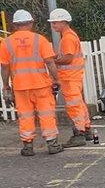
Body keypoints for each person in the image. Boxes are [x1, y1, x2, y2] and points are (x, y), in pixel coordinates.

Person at [0, 10, 62, 156]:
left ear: (14, 25)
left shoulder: (6, 43)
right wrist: (57, 79)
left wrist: (6, 85)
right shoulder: (40, 39)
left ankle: (28, 146)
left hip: (21, 86)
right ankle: (52, 144)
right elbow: (49, 62)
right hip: (41, 84)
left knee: (25, 115)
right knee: (46, 114)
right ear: (31, 22)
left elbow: (4, 67)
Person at [48, 8, 92, 147]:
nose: (53, 26)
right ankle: (86, 129)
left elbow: (67, 59)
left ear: (63, 22)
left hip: (69, 78)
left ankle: (79, 134)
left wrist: (52, 61)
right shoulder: (70, 36)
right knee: (79, 104)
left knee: (74, 106)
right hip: (73, 76)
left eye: (55, 23)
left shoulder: (67, 38)